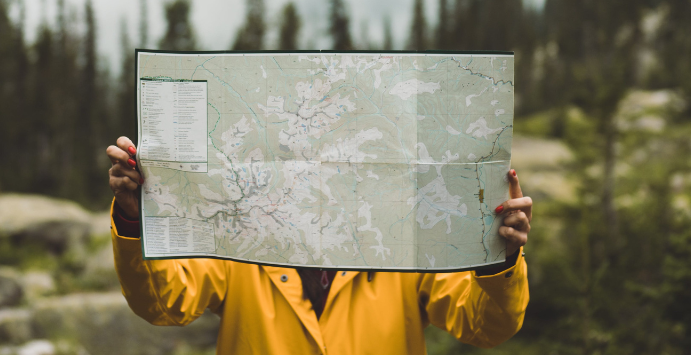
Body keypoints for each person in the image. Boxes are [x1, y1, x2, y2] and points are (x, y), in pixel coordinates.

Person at [106, 135, 533, 354]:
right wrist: (133, 218)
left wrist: (498, 257)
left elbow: (488, 325)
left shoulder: (403, 238)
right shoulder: (239, 237)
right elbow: (164, 302)